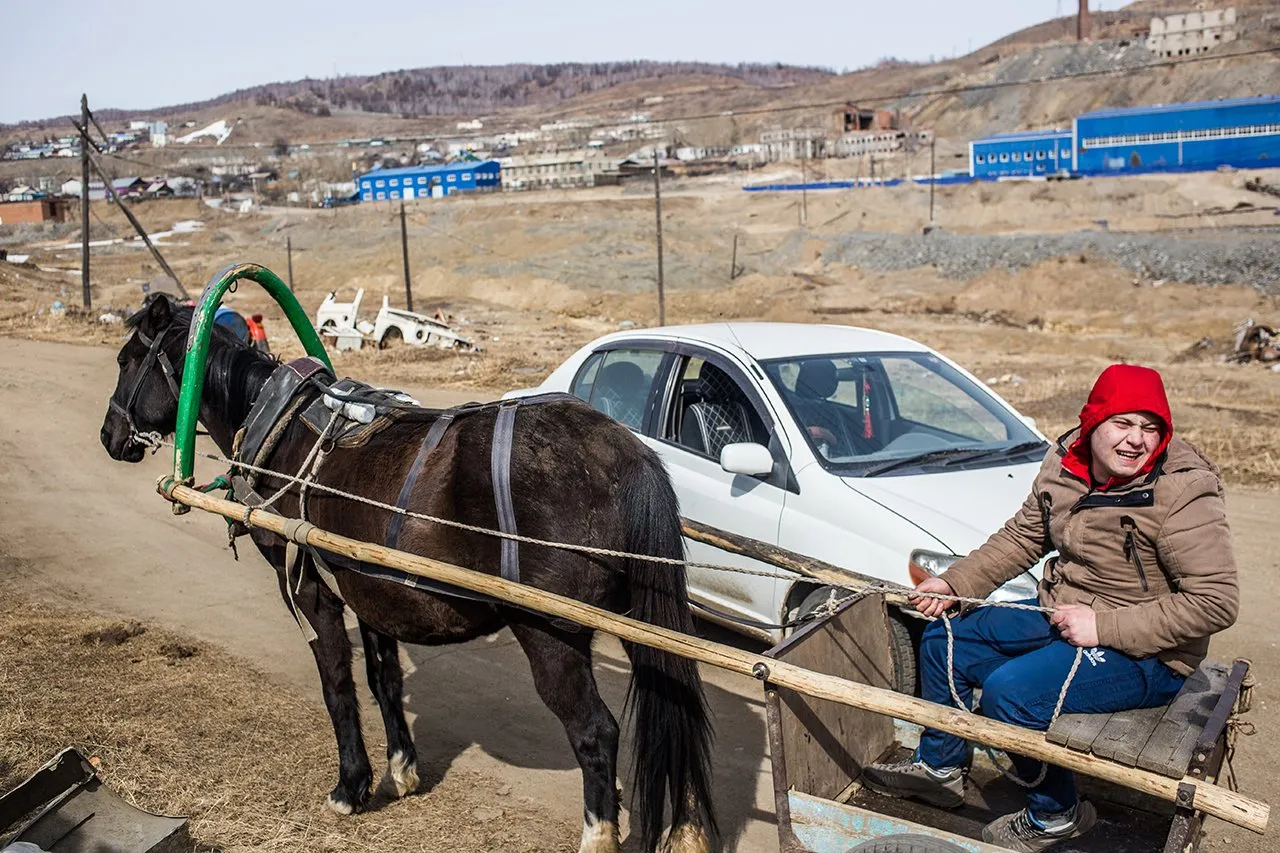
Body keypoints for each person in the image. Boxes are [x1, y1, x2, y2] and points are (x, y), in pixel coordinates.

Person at [862, 364, 1239, 853]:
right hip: (1062, 614)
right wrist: (954, 581)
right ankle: (940, 768)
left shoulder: (1182, 493)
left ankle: (1057, 814)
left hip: (1151, 652)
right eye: (1122, 424)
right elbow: (1024, 537)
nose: (1136, 441)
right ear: (1093, 423)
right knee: (944, 638)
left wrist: (1104, 626)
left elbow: (1216, 601)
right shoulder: (1064, 464)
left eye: (1150, 428)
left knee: (1009, 695)